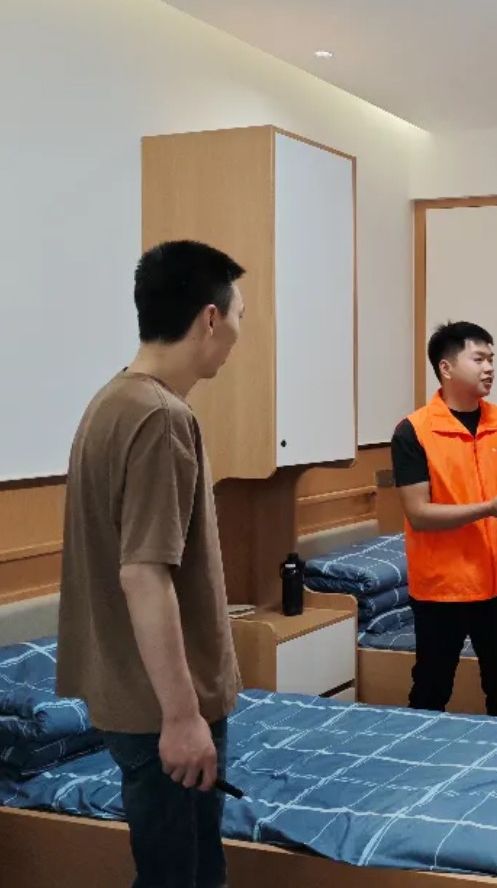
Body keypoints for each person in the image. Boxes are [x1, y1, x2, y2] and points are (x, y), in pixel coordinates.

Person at [57, 240, 246, 888]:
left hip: (131, 699)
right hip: (159, 706)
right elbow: (143, 572)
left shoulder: (110, 403)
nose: (238, 335)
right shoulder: (160, 416)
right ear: (210, 318)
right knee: (184, 877)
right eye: (238, 316)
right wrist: (182, 715)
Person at [392, 320, 497, 717]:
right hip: (443, 588)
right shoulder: (413, 432)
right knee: (431, 691)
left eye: (491, 359)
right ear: (447, 367)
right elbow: (419, 514)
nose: (489, 368)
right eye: (479, 359)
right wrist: (488, 508)